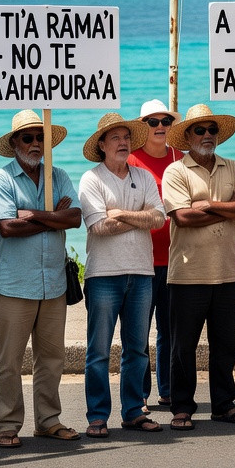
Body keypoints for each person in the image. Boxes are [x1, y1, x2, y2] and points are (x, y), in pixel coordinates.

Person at [0, 109, 83, 448]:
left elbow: (74, 218)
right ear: (15, 143)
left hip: (53, 284)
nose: (35, 143)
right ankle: (8, 425)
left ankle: (48, 420)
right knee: (9, 361)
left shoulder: (59, 175)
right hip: (15, 285)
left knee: (52, 359)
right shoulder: (2, 179)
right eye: (28, 138)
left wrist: (37, 215)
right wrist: (54, 217)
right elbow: (8, 227)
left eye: (40, 137)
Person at [163, 104, 235, 429]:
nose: (207, 135)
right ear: (187, 136)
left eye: (212, 130)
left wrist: (211, 205)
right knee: (182, 347)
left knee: (226, 346)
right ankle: (182, 407)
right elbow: (183, 217)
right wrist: (230, 208)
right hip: (187, 274)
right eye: (200, 130)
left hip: (227, 271)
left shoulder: (233, 167)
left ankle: (223, 404)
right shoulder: (176, 171)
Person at [78, 113, 165, 437]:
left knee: (137, 350)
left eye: (126, 137)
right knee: (99, 351)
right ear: (102, 145)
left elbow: (159, 218)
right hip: (103, 275)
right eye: (115, 137)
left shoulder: (143, 177)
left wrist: (121, 213)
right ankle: (98, 416)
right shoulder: (92, 179)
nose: (123, 142)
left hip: (141, 273)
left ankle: (133, 411)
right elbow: (99, 226)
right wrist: (140, 216)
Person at [127, 99, 183, 410]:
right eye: (152, 122)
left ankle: (169, 389)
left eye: (165, 121)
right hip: (141, 261)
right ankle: (140, 394)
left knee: (170, 331)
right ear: (142, 127)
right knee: (140, 332)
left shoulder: (179, 158)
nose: (160, 126)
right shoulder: (131, 160)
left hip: (175, 259)